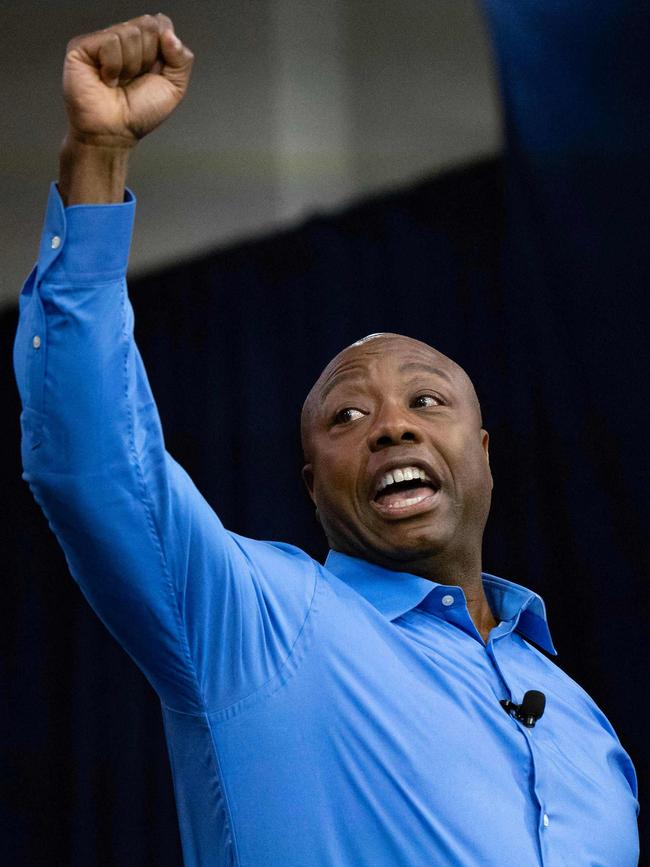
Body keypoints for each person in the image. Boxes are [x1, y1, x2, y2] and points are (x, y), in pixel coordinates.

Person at [14, 14, 639, 867]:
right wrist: (95, 159)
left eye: (426, 398)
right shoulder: (260, 620)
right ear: (312, 485)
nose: (391, 424)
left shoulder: (581, 717)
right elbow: (96, 464)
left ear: (485, 453)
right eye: (347, 417)